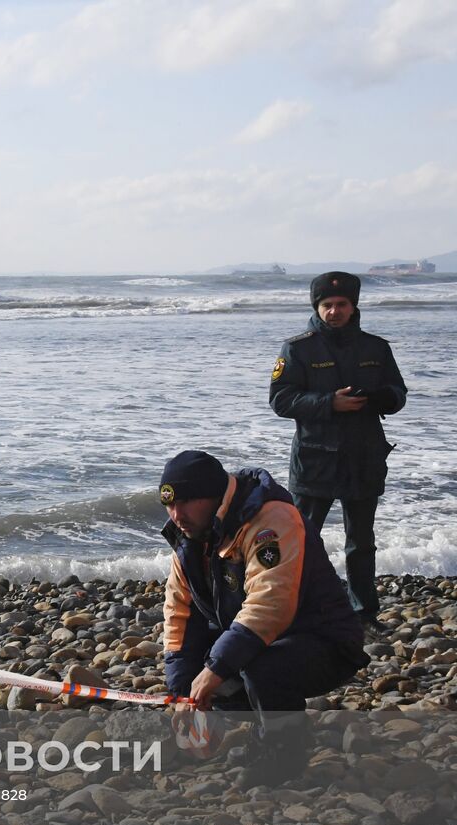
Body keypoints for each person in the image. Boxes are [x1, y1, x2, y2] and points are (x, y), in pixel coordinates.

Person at [157, 450, 369, 780]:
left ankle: (283, 756)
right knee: (208, 672)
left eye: (185, 502)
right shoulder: (190, 536)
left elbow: (270, 605)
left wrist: (215, 669)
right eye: (169, 505)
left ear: (214, 496)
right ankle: (267, 725)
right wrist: (184, 691)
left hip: (324, 641)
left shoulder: (270, 519)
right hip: (261, 640)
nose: (176, 514)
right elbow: (179, 614)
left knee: (256, 668)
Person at [269, 271, 407, 625]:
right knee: (302, 541)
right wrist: (329, 403)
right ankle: (296, 611)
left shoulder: (376, 347)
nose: (334, 311)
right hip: (315, 460)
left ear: (353, 306)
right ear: (317, 306)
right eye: (327, 305)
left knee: (361, 542)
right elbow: (281, 400)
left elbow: (398, 394)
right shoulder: (298, 347)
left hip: (364, 457)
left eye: (341, 304)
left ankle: (364, 612)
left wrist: (379, 398)